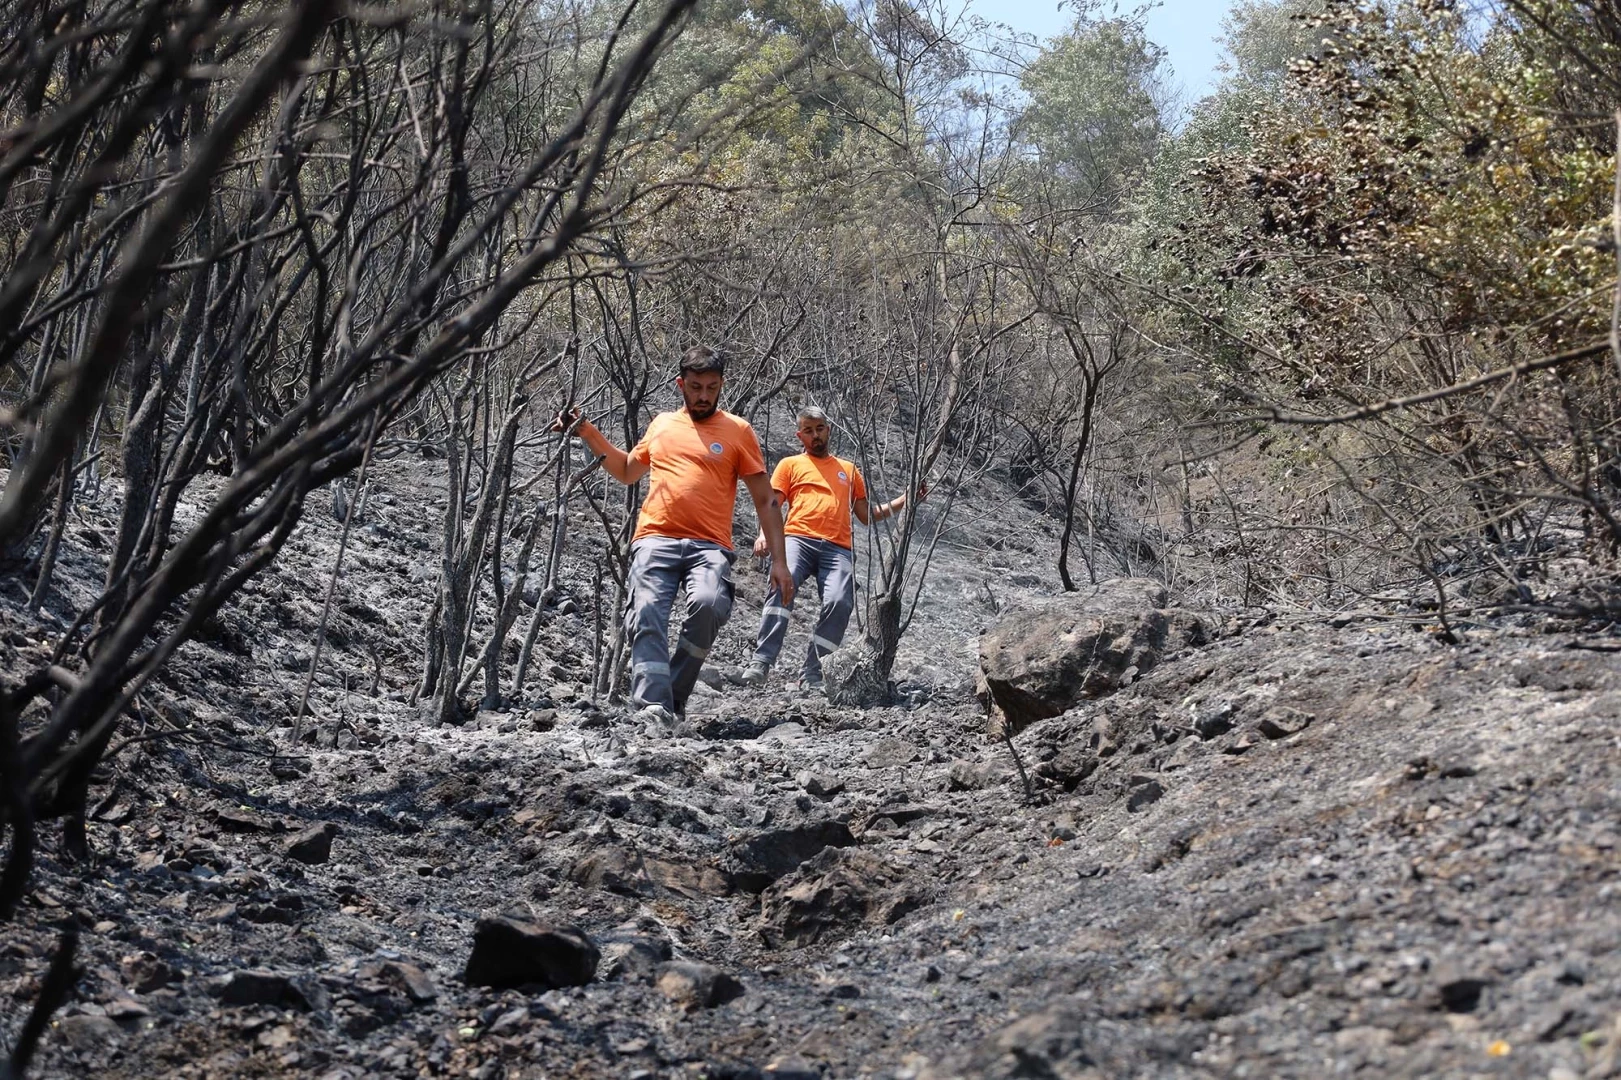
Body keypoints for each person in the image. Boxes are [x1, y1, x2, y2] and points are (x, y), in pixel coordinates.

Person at [559, 346, 794, 726]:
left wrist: (780, 563)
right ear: (681, 384)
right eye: (696, 387)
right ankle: (653, 708)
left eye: (712, 388)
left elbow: (766, 500)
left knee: (709, 605)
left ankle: (674, 693)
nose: (704, 396)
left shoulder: (738, 431)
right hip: (655, 538)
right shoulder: (662, 425)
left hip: (710, 545)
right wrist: (588, 431)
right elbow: (627, 470)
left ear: (721, 385)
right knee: (646, 611)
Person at [732, 406, 922, 690]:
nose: (815, 435)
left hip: (837, 548)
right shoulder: (790, 465)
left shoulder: (849, 470)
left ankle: (814, 672)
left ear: (828, 429)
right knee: (783, 585)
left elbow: (866, 515)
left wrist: (904, 500)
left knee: (840, 602)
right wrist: (763, 535)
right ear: (800, 435)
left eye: (819, 428)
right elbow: (772, 505)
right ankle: (761, 662)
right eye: (808, 431)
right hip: (797, 539)